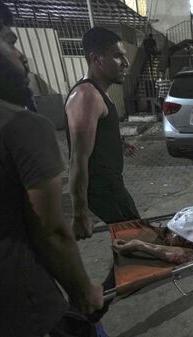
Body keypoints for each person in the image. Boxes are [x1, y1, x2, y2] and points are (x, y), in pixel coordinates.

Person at [0, 1, 103, 336]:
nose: (23, 55)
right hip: (26, 311)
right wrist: (84, 292)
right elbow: (51, 231)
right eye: (10, 42)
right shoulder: (20, 125)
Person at [65, 27, 140, 240]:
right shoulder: (86, 96)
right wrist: (79, 215)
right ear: (96, 59)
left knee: (133, 251)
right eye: (118, 57)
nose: (126, 63)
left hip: (111, 186)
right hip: (103, 192)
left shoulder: (97, 94)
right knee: (139, 247)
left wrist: (119, 142)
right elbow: (77, 160)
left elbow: (98, 133)